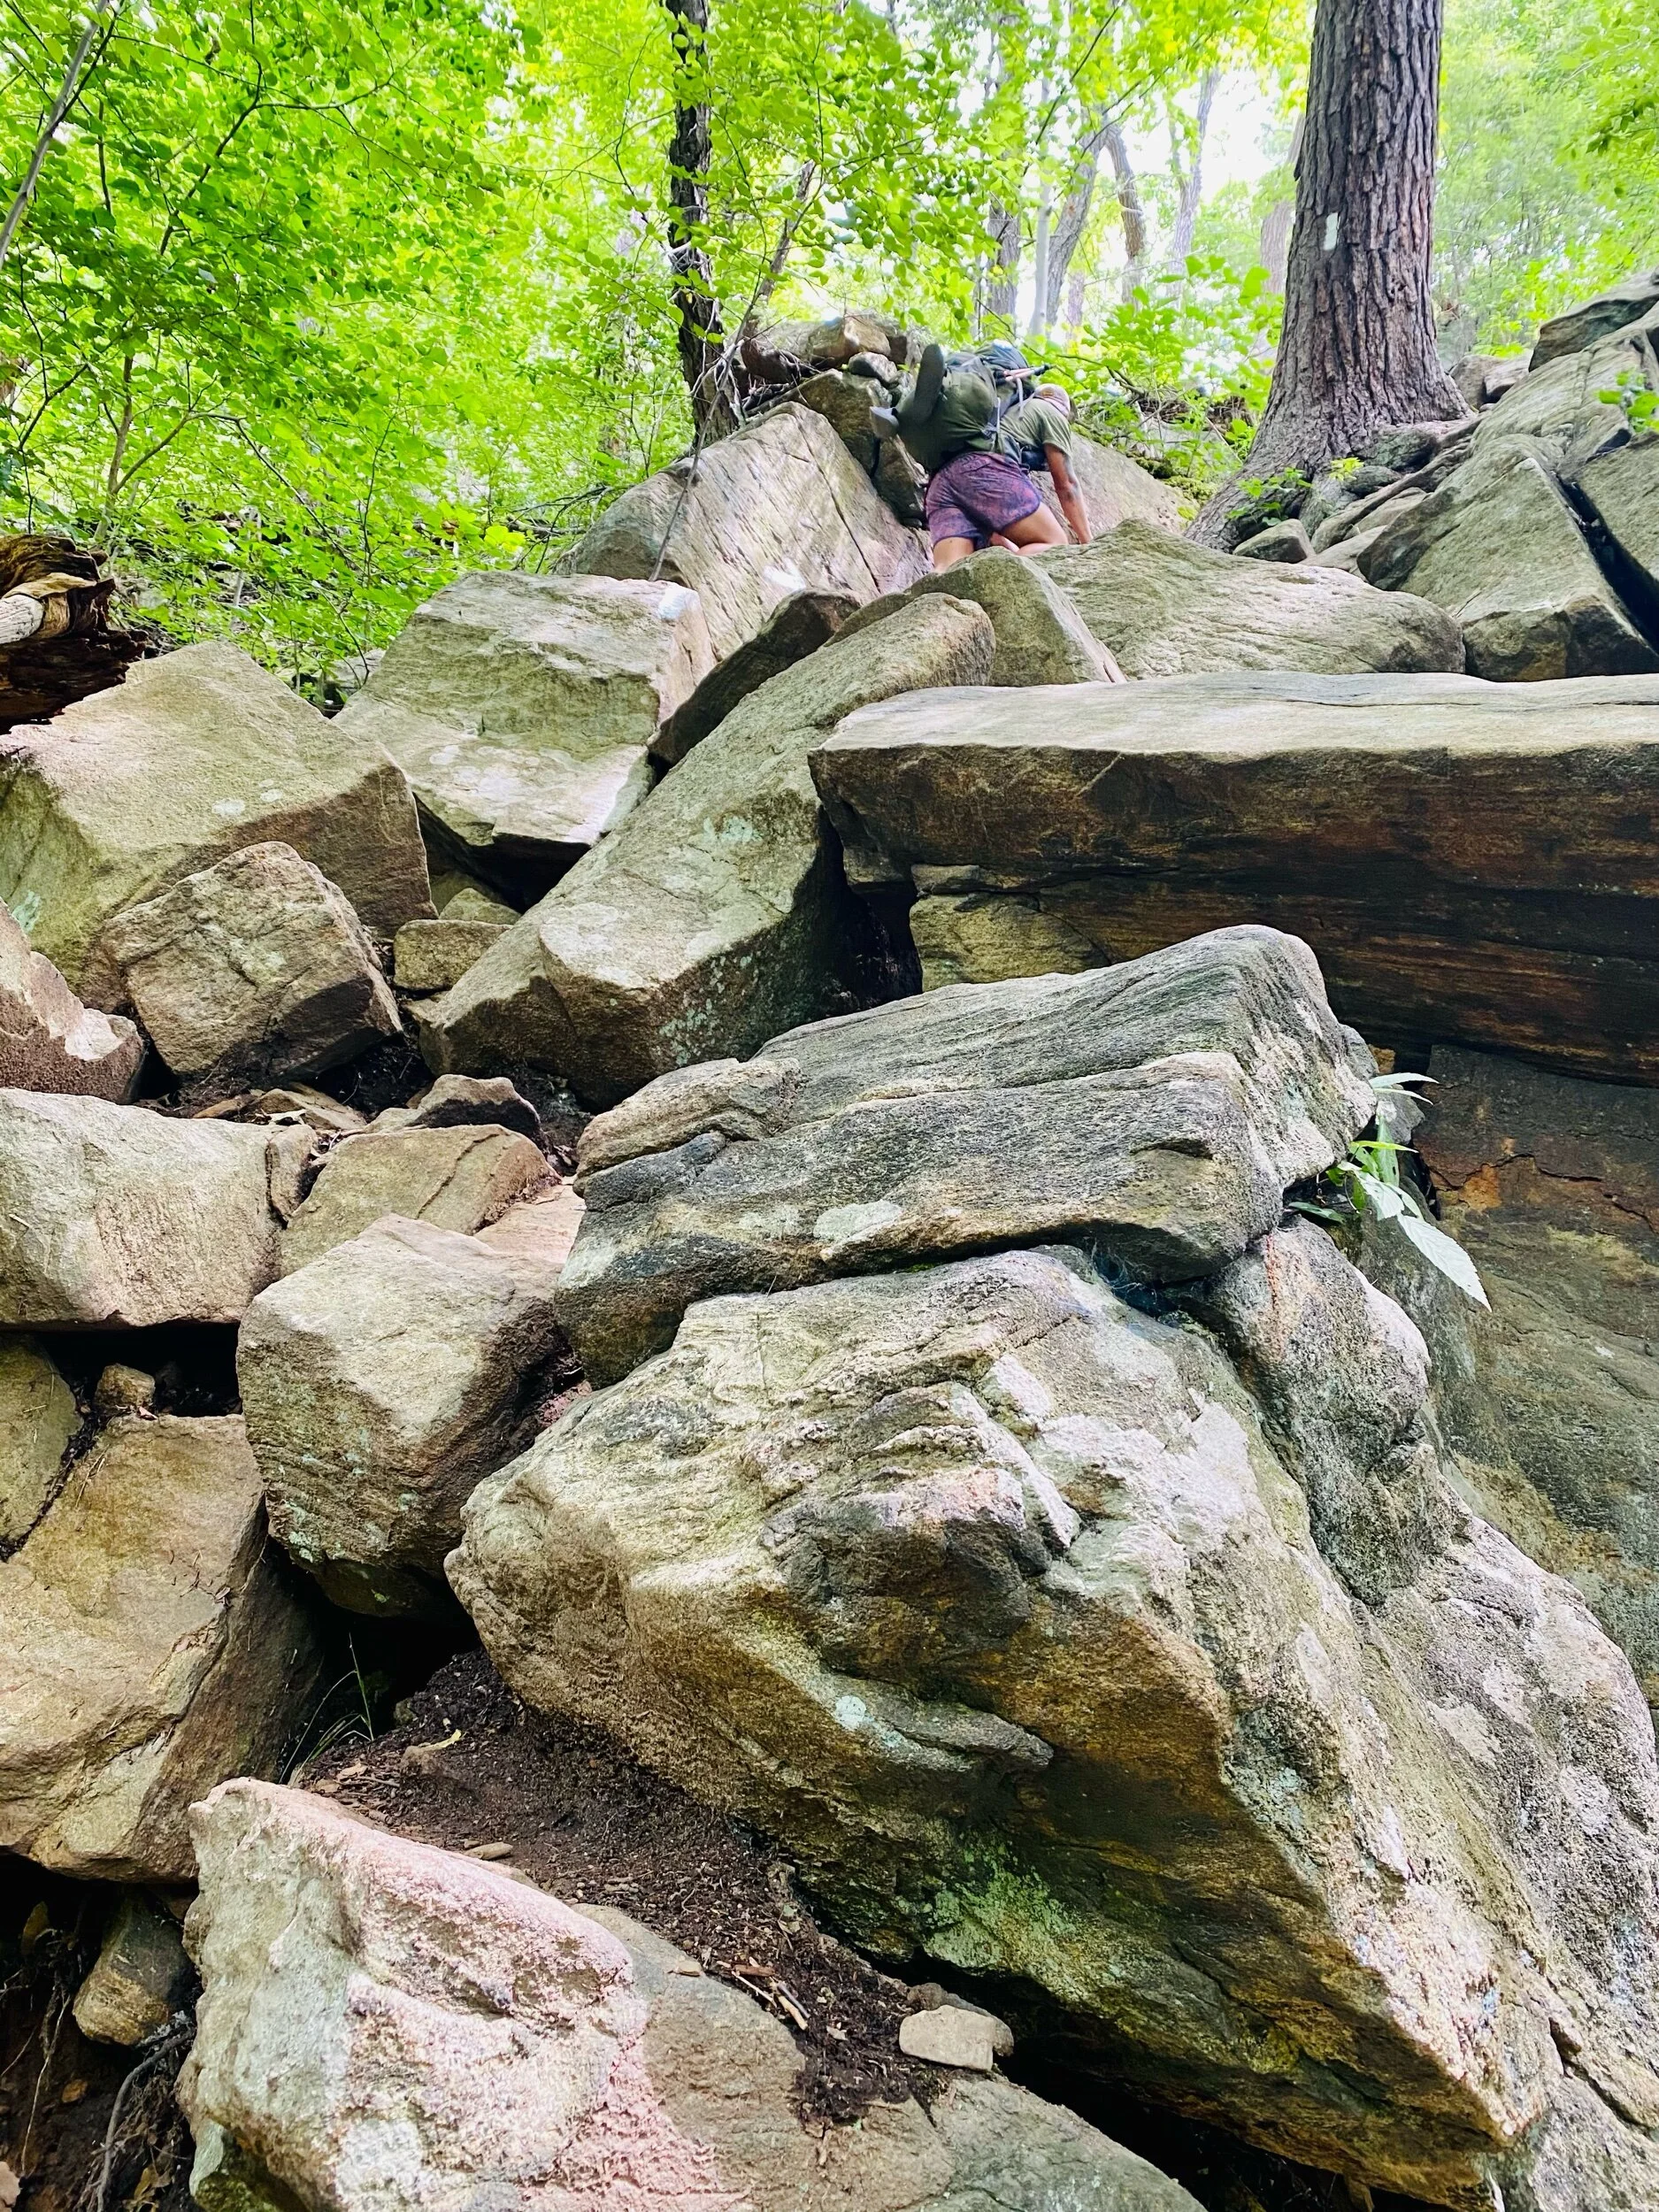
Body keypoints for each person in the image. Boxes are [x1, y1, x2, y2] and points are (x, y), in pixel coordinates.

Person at [893, 343, 1066, 572]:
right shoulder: (1049, 412)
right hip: (984, 471)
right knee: (1055, 543)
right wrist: (1090, 547)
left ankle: (898, 412)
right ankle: (987, 583)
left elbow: (994, 530)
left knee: (948, 571)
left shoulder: (997, 404)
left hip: (939, 481)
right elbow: (1068, 487)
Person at [997, 382, 1092, 548]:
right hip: (995, 470)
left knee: (1004, 546)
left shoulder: (1015, 411)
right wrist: (1088, 543)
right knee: (1055, 544)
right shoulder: (1054, 416)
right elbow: (1067, 486)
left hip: (957, 471)